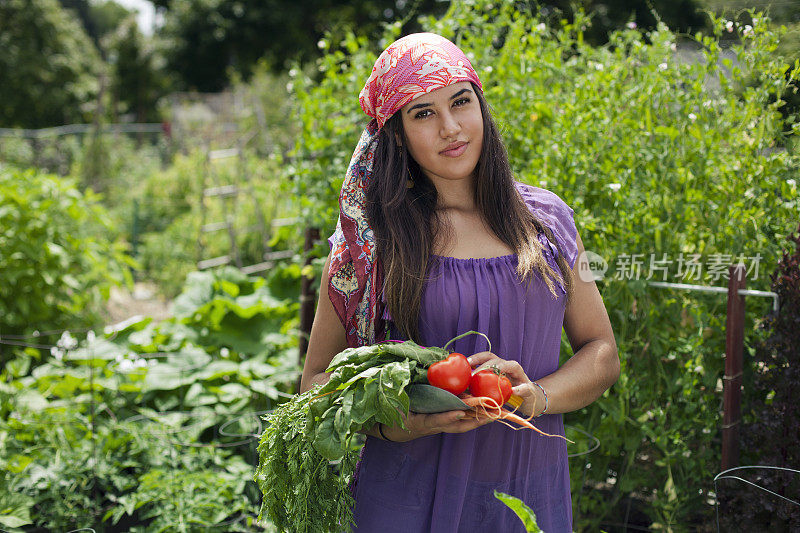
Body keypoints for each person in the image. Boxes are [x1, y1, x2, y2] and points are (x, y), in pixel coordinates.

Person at [299, 32, 619, 532]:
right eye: (423, 113)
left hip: (526, 494)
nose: (451, 127)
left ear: (481, 106)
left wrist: (536, 395)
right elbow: (317, 382)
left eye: (460, 101)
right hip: (407, 501)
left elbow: (601, 351)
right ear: (397, 135)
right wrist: (397, 424)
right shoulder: (371, 244)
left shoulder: (549, 222)